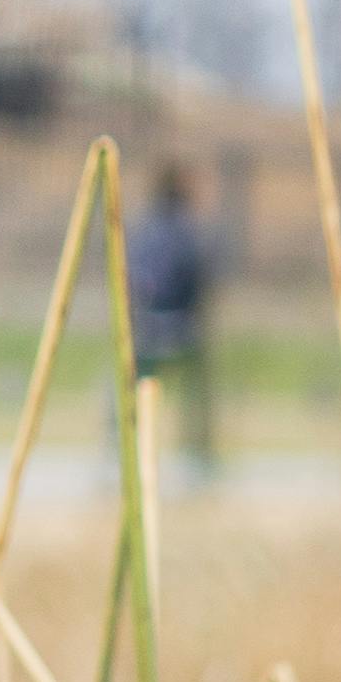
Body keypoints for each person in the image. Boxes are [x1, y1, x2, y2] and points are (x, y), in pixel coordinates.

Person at [121, 154, 219, 483]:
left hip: (145, 327)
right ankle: (199, 454)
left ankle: (126, 450)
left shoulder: (144, 229)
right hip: (177, 328)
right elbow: (198, 282)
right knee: (197, 383)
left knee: (129, 384)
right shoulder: (185, 232)